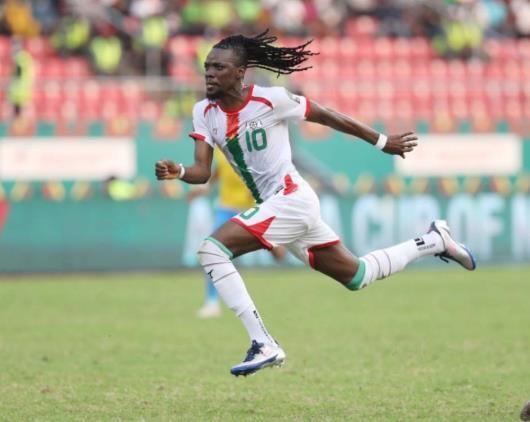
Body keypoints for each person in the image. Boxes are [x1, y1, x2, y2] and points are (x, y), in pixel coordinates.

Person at [155, 30, 476, 377]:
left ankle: (263, 343)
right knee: (358, 275)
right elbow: (203, 172)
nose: (209, 73)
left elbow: (327, 115)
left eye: (218, 67)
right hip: (278, 207)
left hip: (292, 199)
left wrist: (383, 141)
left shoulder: (271, 99)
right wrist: (180, 171)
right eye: (207, 67)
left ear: (240, 72)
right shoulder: (203, 111)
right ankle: (434, 240)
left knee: (211, 249)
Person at [188, 149, 285, 319]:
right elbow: (220, 169)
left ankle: (287, 244)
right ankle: (211, 303)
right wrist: (205, 188)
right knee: (210, 250)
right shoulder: (221, 148)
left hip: (251, 210)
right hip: (226, 208)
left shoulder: (252, 150)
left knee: (279, 254)